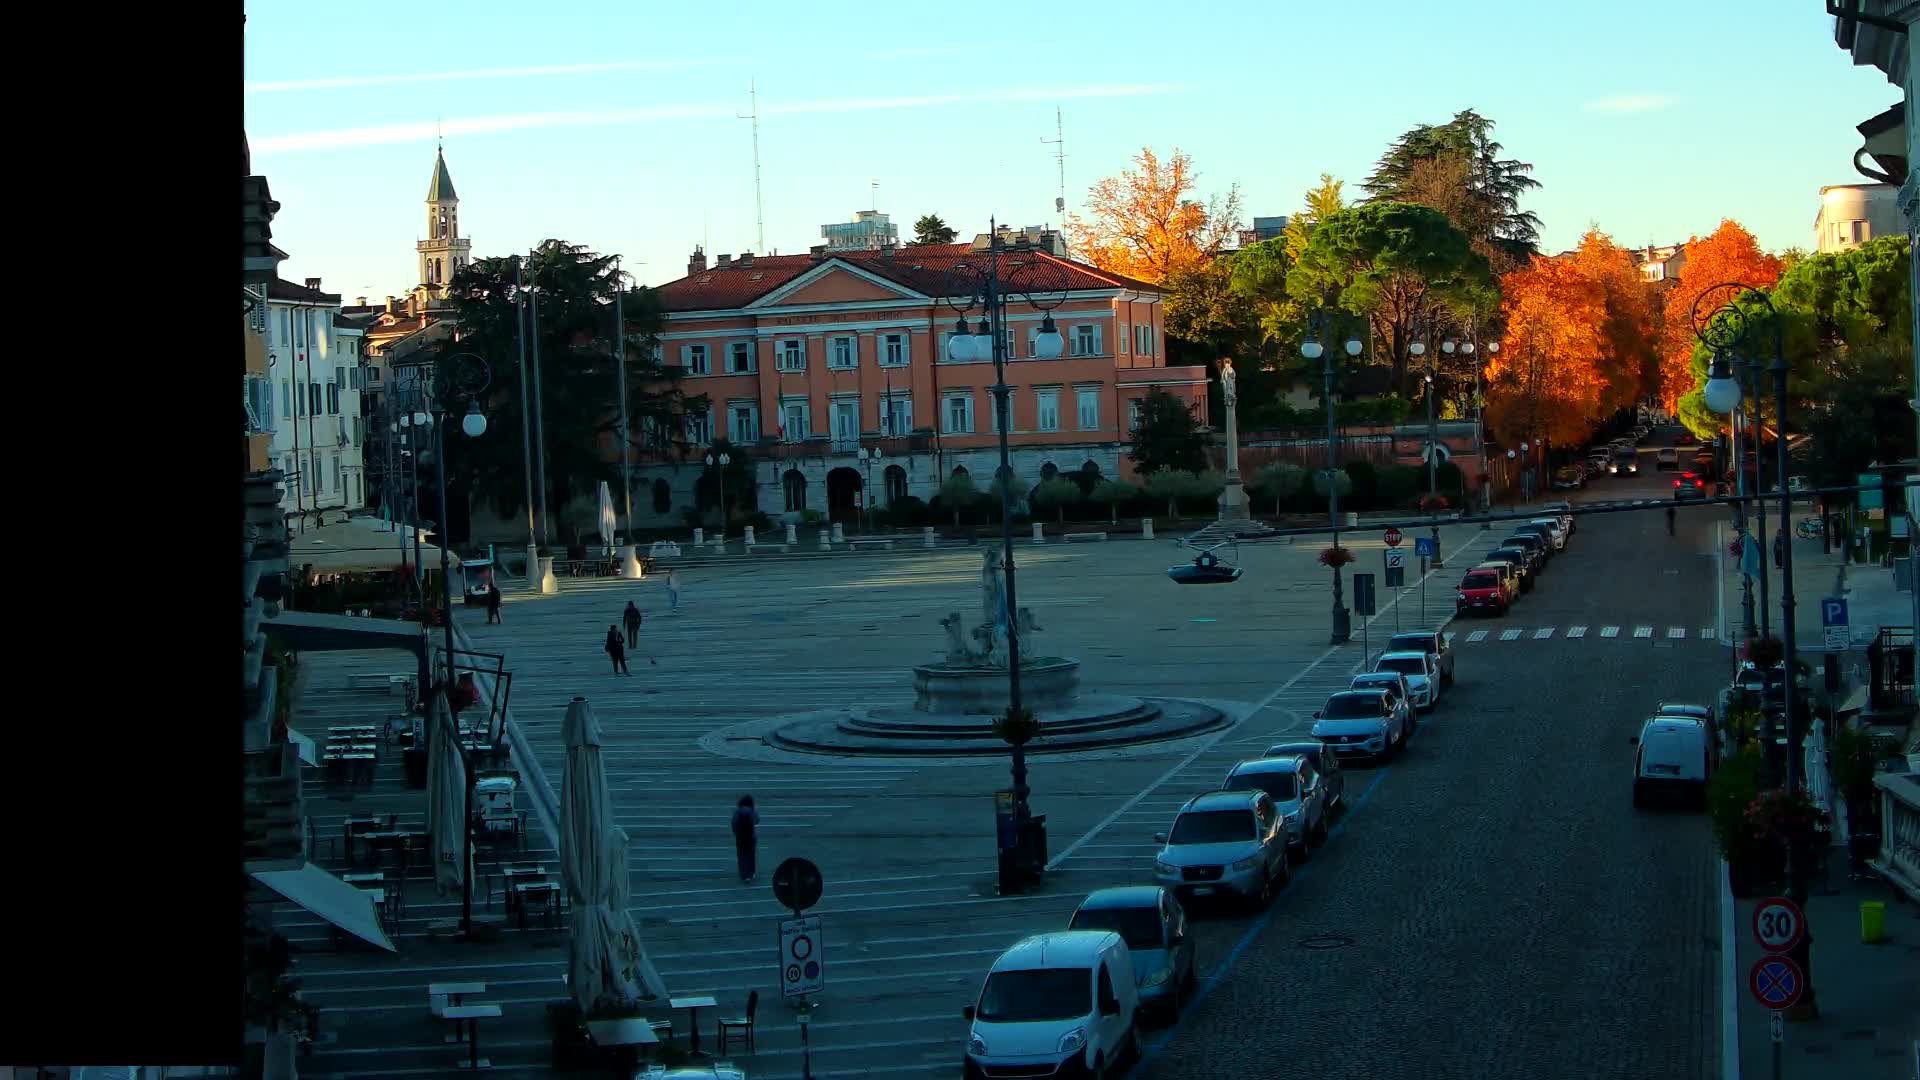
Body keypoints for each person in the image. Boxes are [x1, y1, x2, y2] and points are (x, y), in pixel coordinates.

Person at [731, 795, 759, 884]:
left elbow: (734, 823)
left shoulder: (737, 811)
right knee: (751, 855)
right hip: (751, 837)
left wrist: (736, 833)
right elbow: (757, 820)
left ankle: (744, 875)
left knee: (741, 856)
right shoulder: (752, 811)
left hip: (740, 837)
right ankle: (751, 873)